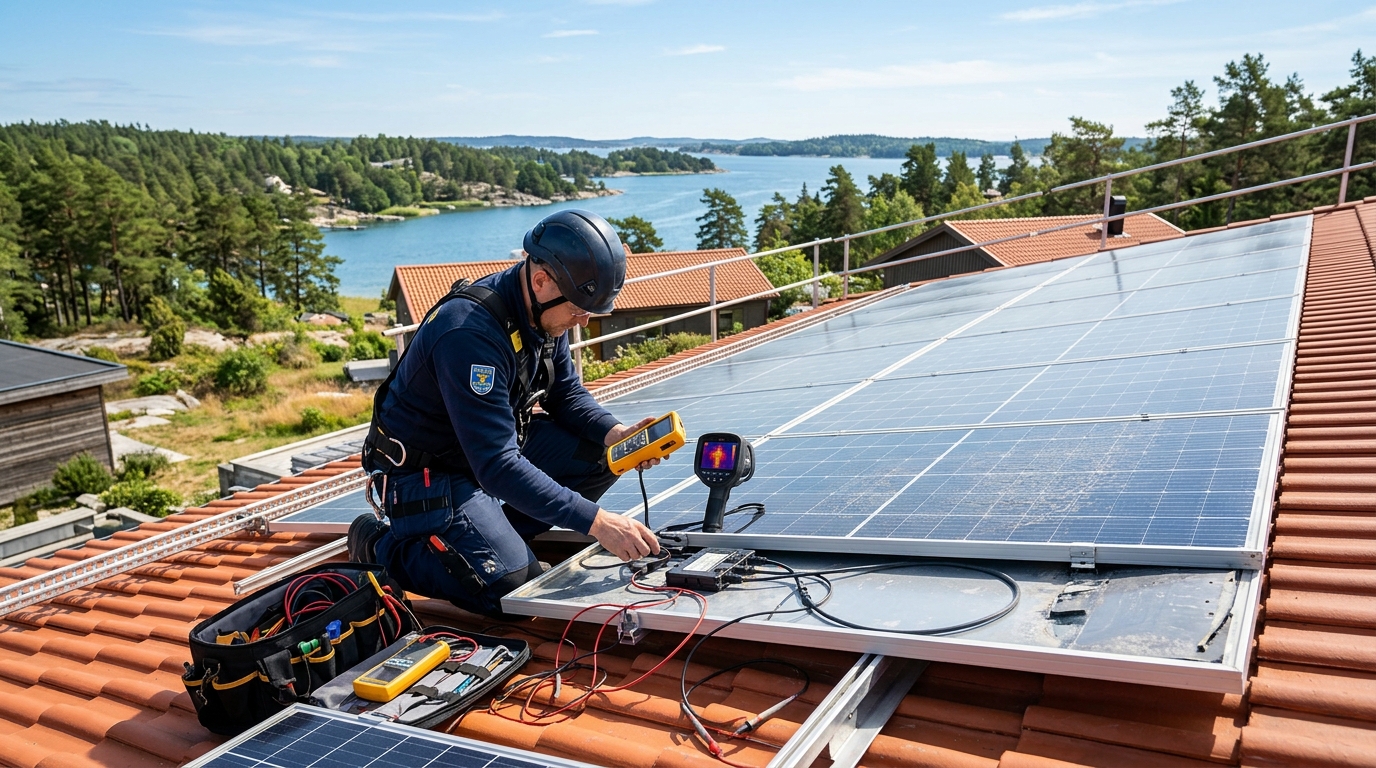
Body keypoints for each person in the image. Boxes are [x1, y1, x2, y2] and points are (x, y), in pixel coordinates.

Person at [352, 209, 661, 616]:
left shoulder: (544, 313)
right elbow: (496, 465)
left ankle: (489, 541)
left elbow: (564, 393)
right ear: (541, 280)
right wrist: (598, 522)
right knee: (512, 589)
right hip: (428, 474)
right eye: (580, 309)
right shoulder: (469, 335)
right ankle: (380, 544)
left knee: (606, 456)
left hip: (484, 452)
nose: (583, 321)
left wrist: (615, 433)